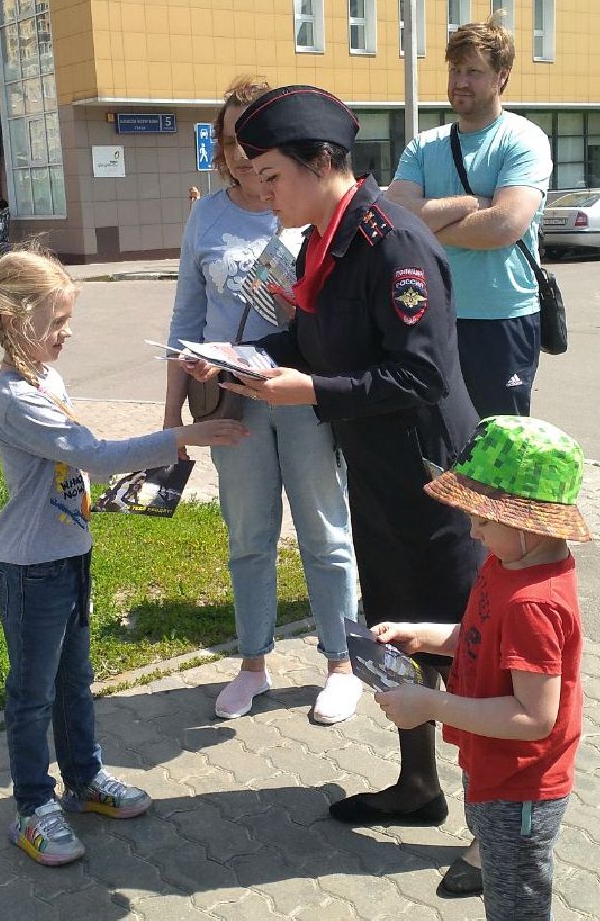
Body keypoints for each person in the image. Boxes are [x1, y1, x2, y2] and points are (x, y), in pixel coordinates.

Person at [185, 84, 486, 829]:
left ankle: (495, 827)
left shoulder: (394, 242)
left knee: (459, 647)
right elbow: (312, 339)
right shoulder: (324, 239)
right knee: (388, 631)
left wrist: (309, 389)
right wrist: (237, 364)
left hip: (431, 479)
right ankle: (419, 785)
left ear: (323, 163)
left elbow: (423, 375)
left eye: (273, 177)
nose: (262, 192)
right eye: (255, 179)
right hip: (378, 474)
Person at [0, 241, 247, 867]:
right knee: (32, 691)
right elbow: (93, 452)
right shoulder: (15, 396)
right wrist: (183, 435)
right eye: (57, 322)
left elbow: (76, 468)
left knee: (75, 679)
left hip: (68, 551)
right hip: (29, 564)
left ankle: (84, 780)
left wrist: (107, 496)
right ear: (19, 320)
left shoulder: (45, 377)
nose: (67, 333)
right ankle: (32, 807)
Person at [165, 75, 361, 724]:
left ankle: (341, 663)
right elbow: (185, 315)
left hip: (303, 395)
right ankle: (253, 664)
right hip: (230, 404)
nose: (244, 155)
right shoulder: (207, 215)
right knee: (248, 537)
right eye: (230, 141)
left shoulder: (311, 206)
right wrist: (172, 420)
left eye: (255, 140)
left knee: (325, 533)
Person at [374, 415, 590, 921]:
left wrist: (430, 703)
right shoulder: (506, 564)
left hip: (521, 788)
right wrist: (425, 636)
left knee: (516, 904)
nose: (471, 529)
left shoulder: (534, 604)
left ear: (527, 523)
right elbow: (479, 639)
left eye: (482, 518)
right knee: (500, 879)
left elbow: (535, 717)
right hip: (490, 766)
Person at [387, 20, 553, 417]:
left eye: (473, 71)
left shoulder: (523, 139)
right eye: (455, 70)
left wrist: (427, 223)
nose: (460, 81)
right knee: (440, 443)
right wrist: (472, 203)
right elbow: (396, 218)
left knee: (499, 442)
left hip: (502, 317)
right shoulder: (425, 146)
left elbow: (504, 226)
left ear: (501, 76)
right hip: (431, 316)